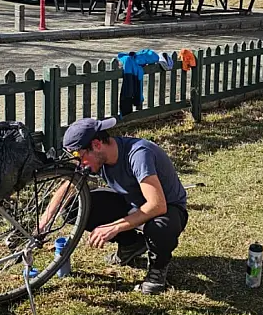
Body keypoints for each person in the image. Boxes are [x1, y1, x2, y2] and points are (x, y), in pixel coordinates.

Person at [62, 117, 188, 294]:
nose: (80, 163)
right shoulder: (98, 158)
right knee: (73, 208)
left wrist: (113, 227)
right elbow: (68, 185)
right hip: (133, 203)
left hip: (167, 208)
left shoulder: (139, 154)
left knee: (160, 227)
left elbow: (157, 205)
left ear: (97, 144)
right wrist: (41, 226)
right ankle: (131, 245)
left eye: (80, 156)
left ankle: (157, 271)